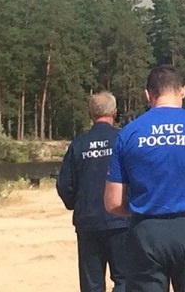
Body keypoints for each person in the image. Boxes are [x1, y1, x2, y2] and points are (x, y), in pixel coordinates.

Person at [104, 65, 185, 292]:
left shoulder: (129, 133)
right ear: (183, 91)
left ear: (148, 95)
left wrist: (143, 208)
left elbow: (113, 202)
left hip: (146, 232)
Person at [57, 91, 132, 292]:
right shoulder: (124, 139)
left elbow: (65, 184)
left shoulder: (78, 144)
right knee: (125, 279)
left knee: (91, 284)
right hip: (121, 220)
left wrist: (76, 204)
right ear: (115, 112)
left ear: (90, 114)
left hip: (88, 222)